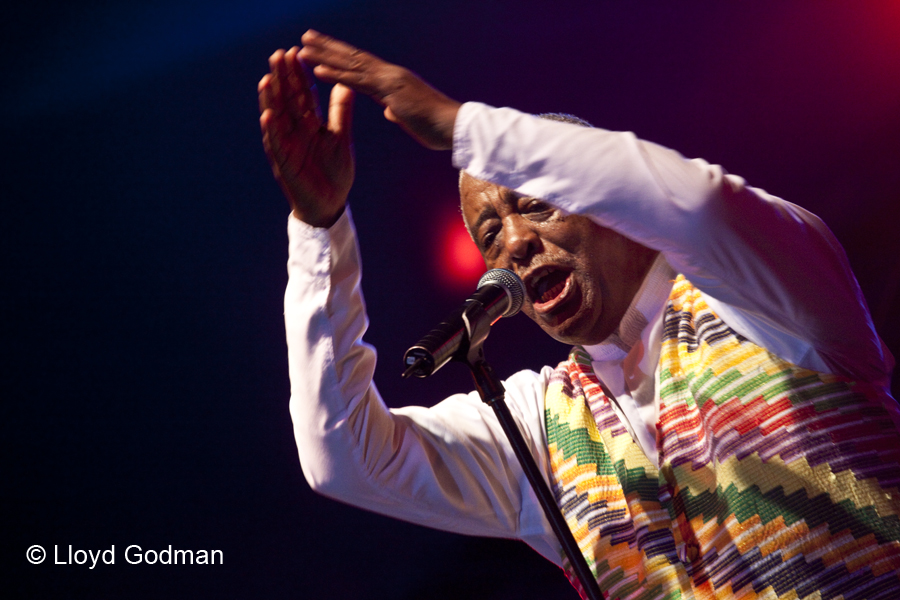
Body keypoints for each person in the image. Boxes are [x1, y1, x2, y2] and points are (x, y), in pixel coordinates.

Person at [259, 30, 900, 599]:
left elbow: (697, 206)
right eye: (488, 235)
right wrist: (320, 228)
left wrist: (464, 128)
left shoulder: (769, 305)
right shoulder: (541, 423)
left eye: (536, 206)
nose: (509, 244)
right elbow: (342, 455)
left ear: (609, 206)